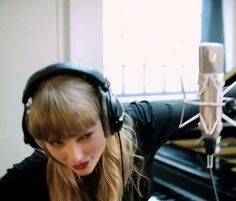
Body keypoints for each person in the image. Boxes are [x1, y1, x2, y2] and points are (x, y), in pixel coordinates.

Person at [0, 62, 198, 201]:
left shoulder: (142, 122)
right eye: (56, 142)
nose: (75, 157)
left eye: (85, 136)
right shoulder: (32, 175)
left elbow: (212, 105)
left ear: (108, 119)